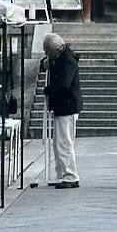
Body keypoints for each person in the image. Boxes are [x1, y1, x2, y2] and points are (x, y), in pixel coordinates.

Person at [42, 32, 82, 188]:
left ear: (54, 51)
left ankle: (71, 175)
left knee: (65, 142)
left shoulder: (67, 61)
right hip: (63, 106)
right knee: (59, 143)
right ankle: (62, 173)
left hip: (67, 106)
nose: (47, 56)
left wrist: (49, 90)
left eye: (48, 53)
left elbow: (64, 84)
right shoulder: (61, 57)